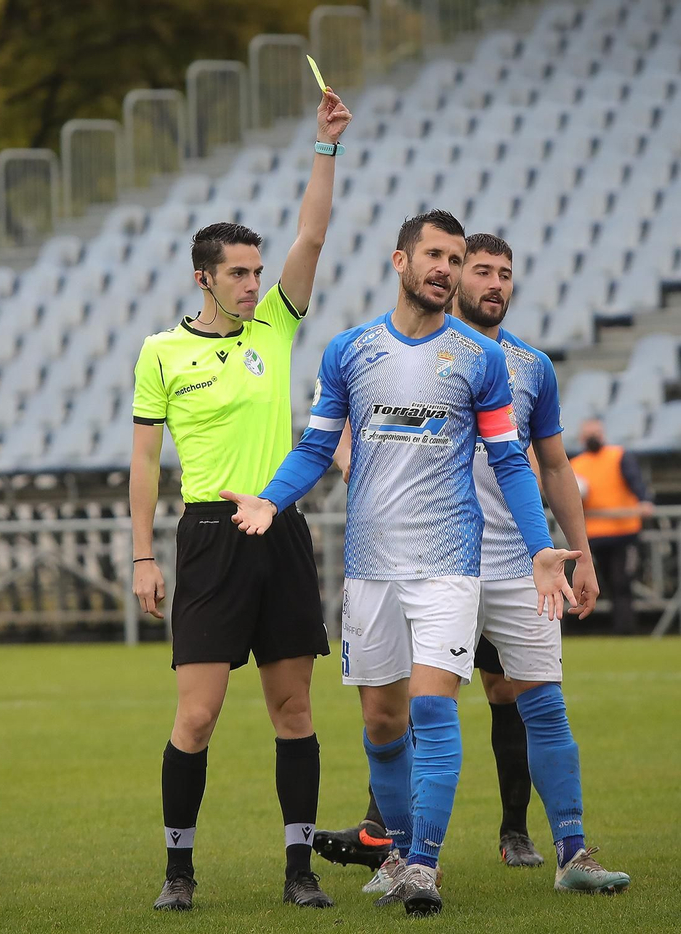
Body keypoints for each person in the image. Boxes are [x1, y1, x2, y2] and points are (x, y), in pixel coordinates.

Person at [222, 211, 587, 916]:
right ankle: (395, 852)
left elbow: (512, 459)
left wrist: (541, 545)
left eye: (456, 258)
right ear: (401, 261)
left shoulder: (479, 360)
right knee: (383, 724)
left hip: (449, 564)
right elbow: (315, 446)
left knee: (432, 708)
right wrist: (270, 500)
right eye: (436, 257)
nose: (447, 269)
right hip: (371, 570)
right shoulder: (350, 351)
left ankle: (423, 864)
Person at [313, 232, 607, 881]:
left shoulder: (528, 367)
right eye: (481, 270)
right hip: (432, 563)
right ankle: (392, 843)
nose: (494, 284)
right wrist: (347, 461)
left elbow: (552, 464)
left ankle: (560, 848)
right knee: (401, 707)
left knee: (533, 701)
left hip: (511, 564)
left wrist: (576, 553)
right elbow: (348, 434)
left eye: (505, 273)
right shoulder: (395, 357)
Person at [129, 88, 351, 912]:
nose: (257, 283)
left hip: (280, 534)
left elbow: (314, 234)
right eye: (240, 273)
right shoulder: (160, 352)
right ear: (205, 279)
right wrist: (145, 556)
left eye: (260, 271)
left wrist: (324, 146)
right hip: (210, 542)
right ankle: (178, 872)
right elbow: (145, 459)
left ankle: (299, 871)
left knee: (293, 708)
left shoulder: (275, 329)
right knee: (198, 717)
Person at [570, 417, 655, 635]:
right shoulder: (576, 464)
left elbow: (635, 481)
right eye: (589, 435)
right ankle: (609, 627)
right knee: (605, 582)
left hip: (624, 532)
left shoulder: (618, 456)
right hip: (595, 535)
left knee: (622, 582)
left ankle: (625, 628)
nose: (593, 439)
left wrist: (644, 500)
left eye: (596, 434)